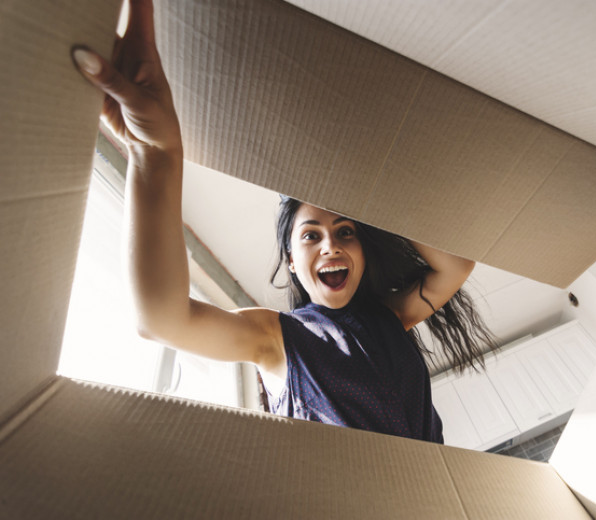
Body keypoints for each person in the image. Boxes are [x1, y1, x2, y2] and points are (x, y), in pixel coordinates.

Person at [71, 0, 493, 443]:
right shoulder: (274, 337)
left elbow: (456, 266)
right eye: (311, 235)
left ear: (363, 251)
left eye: (346, 231)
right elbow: (163, 320)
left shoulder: (391, 317)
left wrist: (373, 185)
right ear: (292, 260)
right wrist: (154, 154)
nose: (331, 244)